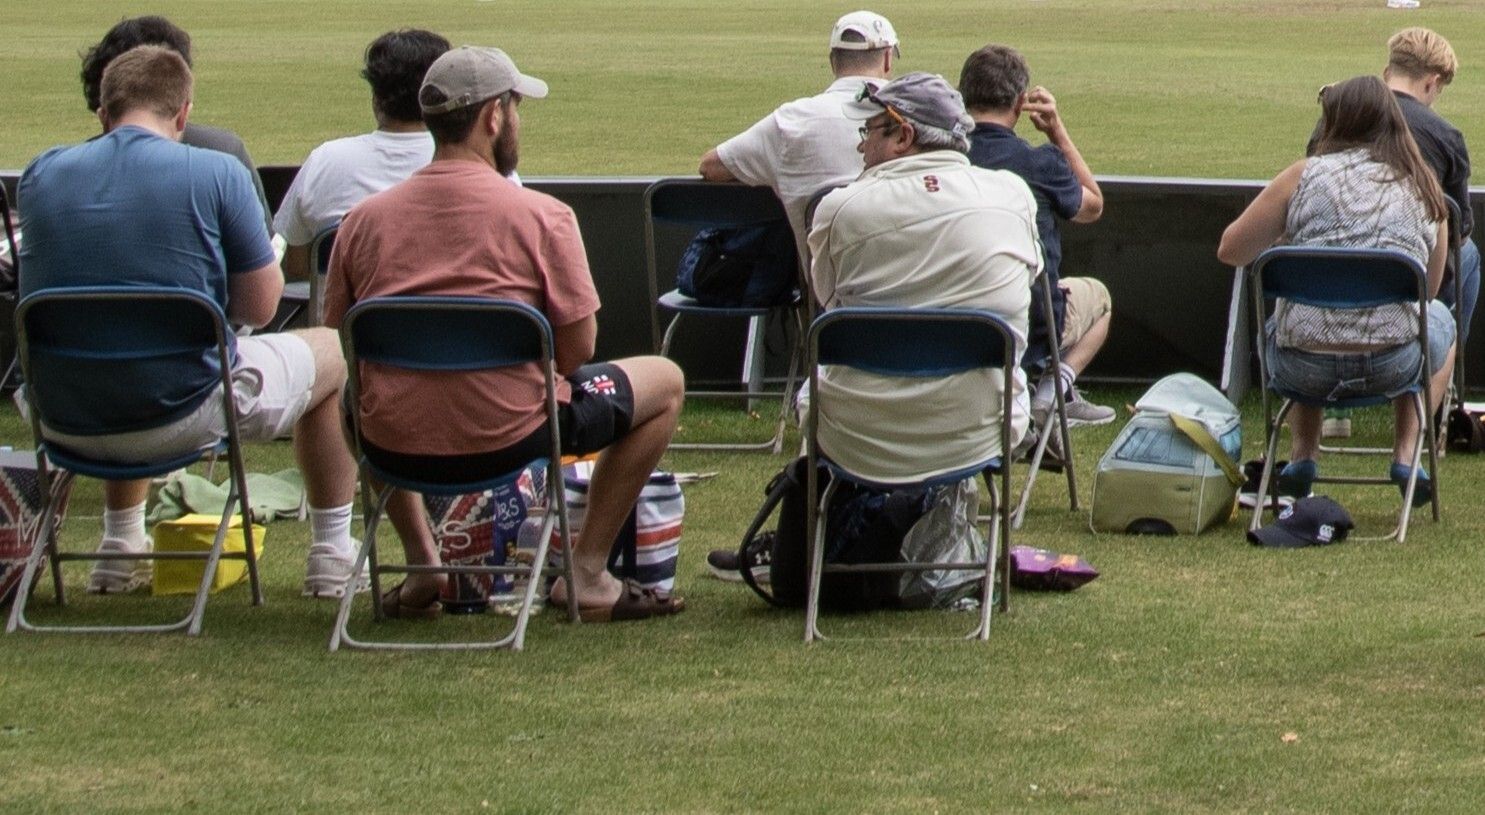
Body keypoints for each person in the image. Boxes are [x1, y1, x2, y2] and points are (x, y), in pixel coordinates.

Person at [324, 46, 686, 622]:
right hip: (511, 436)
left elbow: (340, 341)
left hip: (391, 439)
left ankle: (424, 566)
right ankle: (587, 574)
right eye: (515, 109)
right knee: (664, 380)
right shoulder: (543, 217)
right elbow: (576, 353)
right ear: (494, 117)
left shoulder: (362, 221)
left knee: (355, 401)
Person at [18, 45, 363, 597]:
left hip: (61, 414)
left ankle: (120, 546)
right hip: (177, 407)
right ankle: (331, 555)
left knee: (125, 349)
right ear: (183, 114)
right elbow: (260, 307)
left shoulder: (41, 174)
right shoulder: (216, 171)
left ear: (104, 115)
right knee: (334, 348)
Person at [1218, 75, 1456, 507]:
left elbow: (1232, 250)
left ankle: (1302, 455)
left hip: (1300, 367)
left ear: (1332, 122)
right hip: (1393, 364)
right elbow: (1430, 290)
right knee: (1439, 321)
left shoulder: (1301, 177)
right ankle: (1406, 452)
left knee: (1298, 317)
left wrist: (1284, 236)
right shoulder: (1426, 187)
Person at [808, 72, 1039, 484]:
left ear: (903, 136)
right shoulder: (1013, 194)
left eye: (870, 131)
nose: (862, 145)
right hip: (980, 433)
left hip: (855, 439)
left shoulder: (840, 208)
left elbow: (828, 300)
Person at [1311, 28, 1473, 439]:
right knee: (1467, 256)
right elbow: (1458, 225)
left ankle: (1329, 409)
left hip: (1321, 294)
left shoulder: (1334, 119)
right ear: (1432, 82)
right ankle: (1434, 399)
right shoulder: (1444, 134)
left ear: (1387, 71)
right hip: (1403, 288)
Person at [960, 44, 1114, 433]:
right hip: (1027, 324)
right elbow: (1093, 205)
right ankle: (1052, 392)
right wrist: (1057, 130)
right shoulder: (1039, 163)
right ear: (1019, 104)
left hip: (950, 315)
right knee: (1100, 300)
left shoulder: (944, 163)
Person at [698, 10, 899, 265]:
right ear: (888, 59)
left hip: (828, 300)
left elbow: (711, 167)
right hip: (924, 297)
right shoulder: (926, 116)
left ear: (833, 62)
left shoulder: (791, 120)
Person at [274, 29, 450, 291]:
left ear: (376, 97)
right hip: (449, 325)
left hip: (345, 327)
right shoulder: (479, 166)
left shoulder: (326, 160)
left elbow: (299, 267)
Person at [80, 15, 273, 236]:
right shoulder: (225, 156)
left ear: (104, 113)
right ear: (183, 108)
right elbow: (265, 254)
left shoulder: (64, 174)